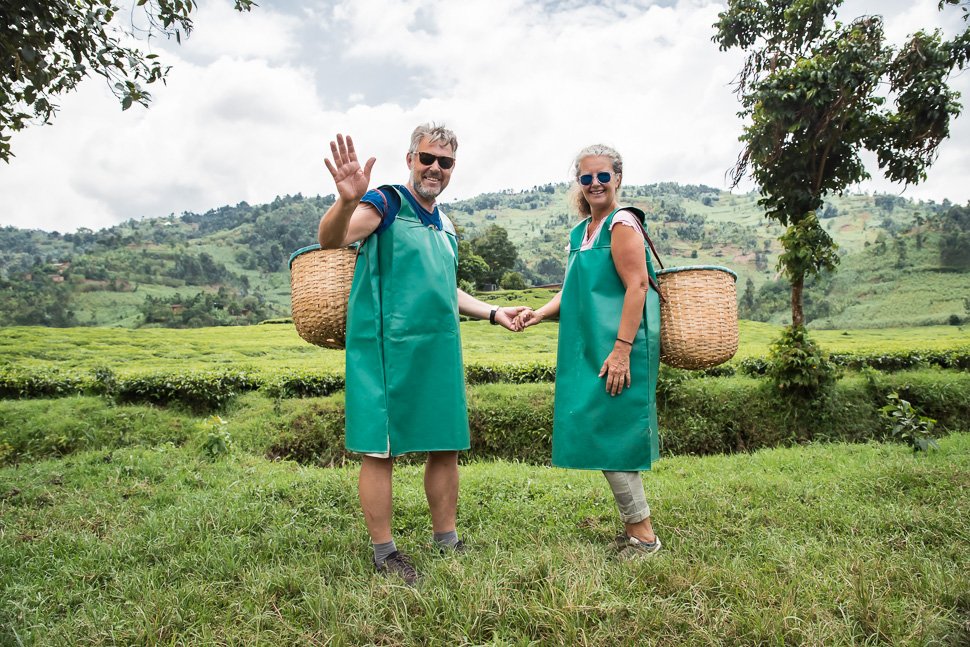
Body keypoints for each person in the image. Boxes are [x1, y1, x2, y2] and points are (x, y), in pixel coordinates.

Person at [317, 124, 526, 585]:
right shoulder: (385, 203)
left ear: (453, 167)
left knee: (445, 444)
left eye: (444, 162)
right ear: (410, 158)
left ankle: (447, 538)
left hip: (438, 348)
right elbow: (333, 239)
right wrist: (346, 200)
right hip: (387, 348)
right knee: (380, 449)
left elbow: (446, 288)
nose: (434, 168)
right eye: (426, 158)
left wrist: (493, 312)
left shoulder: (446, 225)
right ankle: (385, 552)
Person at [516, 144, 662, 559]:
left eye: (603, 176)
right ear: (578, 183)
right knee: (604, 431)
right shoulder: (581, 232)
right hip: (593, 346)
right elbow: (571, 290)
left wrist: (622, 350)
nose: (595, 183)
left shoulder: (622, 223)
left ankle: (644, 536)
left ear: (618, 178)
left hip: (619, 345)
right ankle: (636, 529)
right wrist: (538, 314)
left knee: (611, 434)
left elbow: (638, 286)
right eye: (586, 177)